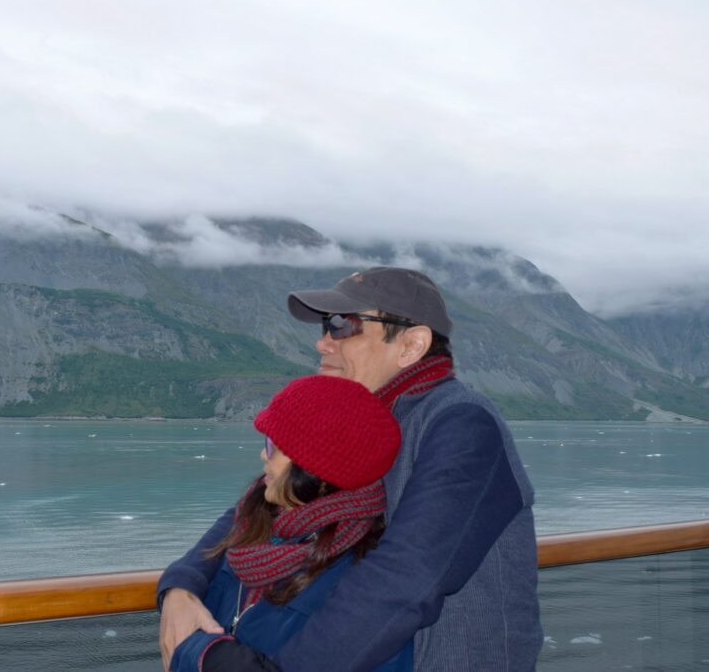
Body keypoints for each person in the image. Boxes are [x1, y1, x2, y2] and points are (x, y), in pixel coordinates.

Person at [159, 266, 542, 672]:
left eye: (343, 325)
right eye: (326, 325)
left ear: (411, 344)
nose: (323, 343)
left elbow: (404, 579)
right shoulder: (362, 418)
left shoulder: (460, 424)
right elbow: (258, 505)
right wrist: (181, 585)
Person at [169, 374, 412, 672]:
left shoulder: (361, 579)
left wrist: (195, 649)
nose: (262, 454)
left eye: (272, 445)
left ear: (316, 466)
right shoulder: (256, 525)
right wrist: (177, 591)